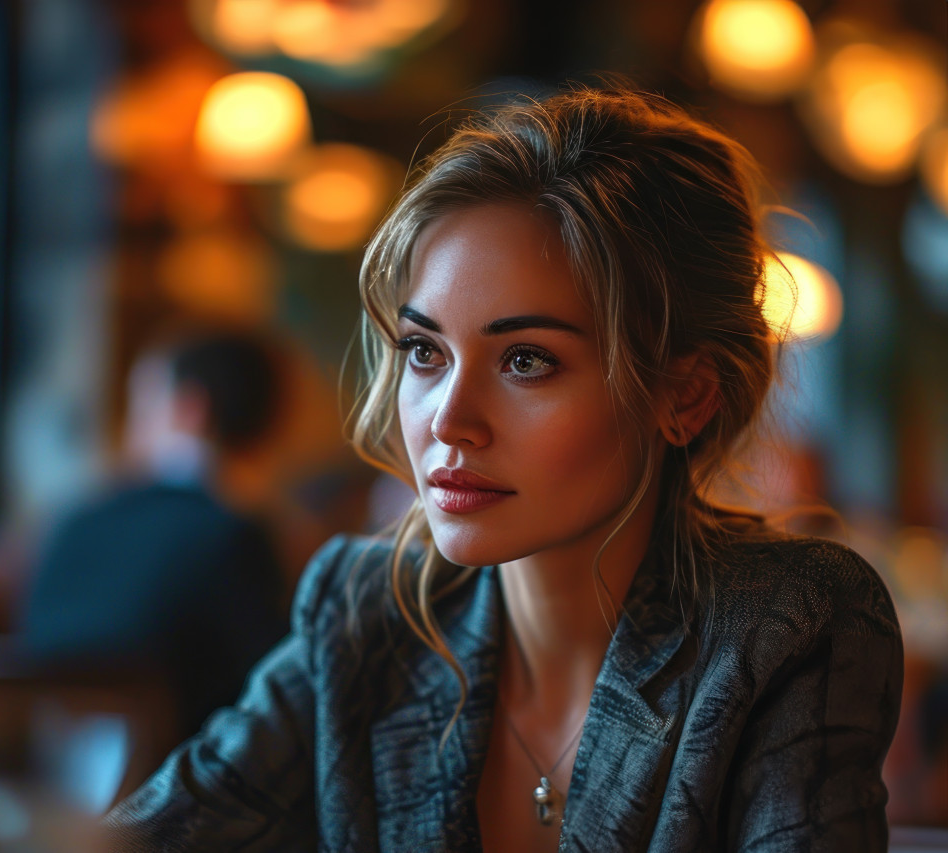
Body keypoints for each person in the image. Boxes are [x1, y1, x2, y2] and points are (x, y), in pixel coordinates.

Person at [100, 88, 903, 851]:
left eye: (526, 360)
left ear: (683, 396)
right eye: (424, 351)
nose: (449, 420)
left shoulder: (784, 625)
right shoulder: (365, 615)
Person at [20, 329, 289, 740]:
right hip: (172, 790)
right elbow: (276, 699)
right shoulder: (233, 535)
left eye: (140, 405)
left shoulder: (77, 521)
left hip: (39, 779)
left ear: (190, 408)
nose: (130, 426)